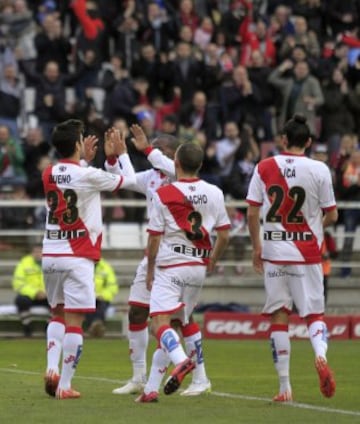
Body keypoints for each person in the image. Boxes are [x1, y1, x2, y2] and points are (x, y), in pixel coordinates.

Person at [112, 125, 212, 397]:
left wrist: (147, 148)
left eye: (159, 148)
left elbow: (163, 162)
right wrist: (116, 157)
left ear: (173, 155)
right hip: (155, 256)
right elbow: (125, 179)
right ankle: (139, 377)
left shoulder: (185, 182)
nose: (152, 155)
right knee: (137, 311)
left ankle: (197, 376)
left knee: (178, 319)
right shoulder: (153, 177)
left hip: (178, 256)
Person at [42, 119, 136, 400]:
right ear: (76, 145)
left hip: (51, 254)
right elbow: (128, 181)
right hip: (78, 254)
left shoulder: (48, 173)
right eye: (82, 138)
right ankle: (65, 385)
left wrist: (88, 161)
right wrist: (119, 156)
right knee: (75, 320)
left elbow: (74, 176)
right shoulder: (87, 175)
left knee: (56, 313)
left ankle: (50, 369)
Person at [246, 113, 338, 402]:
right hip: (308, 252)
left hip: (274, 251)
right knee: (313, 314)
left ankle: (285, 387)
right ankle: (320, 356)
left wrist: (256, 246)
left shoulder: (264, 167)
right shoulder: (320, 169)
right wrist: (313, 230)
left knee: (279, 315)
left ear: (283, 140)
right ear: (309, 142)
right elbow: (332, 214)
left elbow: (251, 212)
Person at [136, 142, 230, 402]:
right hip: (198, 267)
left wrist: (151, 268)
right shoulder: (215, 192)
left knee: (159, 324)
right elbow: (224, 234)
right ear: (199, 164)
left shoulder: (164, 193)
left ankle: (181, 361)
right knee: (180, 322)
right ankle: (151, 389)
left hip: (171, 265)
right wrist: (212, 259)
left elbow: (154, 238)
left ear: (176, 163)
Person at [12, 243, 50, 337]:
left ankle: (49, 327)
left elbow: (57, 282)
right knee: (20, 300)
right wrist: (35, 293)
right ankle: (27, 326)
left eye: (40, 251)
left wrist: (46, 293)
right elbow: (18, 283)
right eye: (35, 252)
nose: (37, 254)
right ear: (32, 253)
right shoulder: (24, 263)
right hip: (31, 295)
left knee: (59, 301)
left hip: (47, 295)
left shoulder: (52, 263)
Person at [84, 257, 119, 338]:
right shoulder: (81, 265)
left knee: (98, 304)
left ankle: (93, 326)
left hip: (101, 299)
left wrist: (102, 296)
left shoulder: (106, 267)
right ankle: (97, 325)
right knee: (89, 304)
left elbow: (112, 287)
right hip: (86, 298)